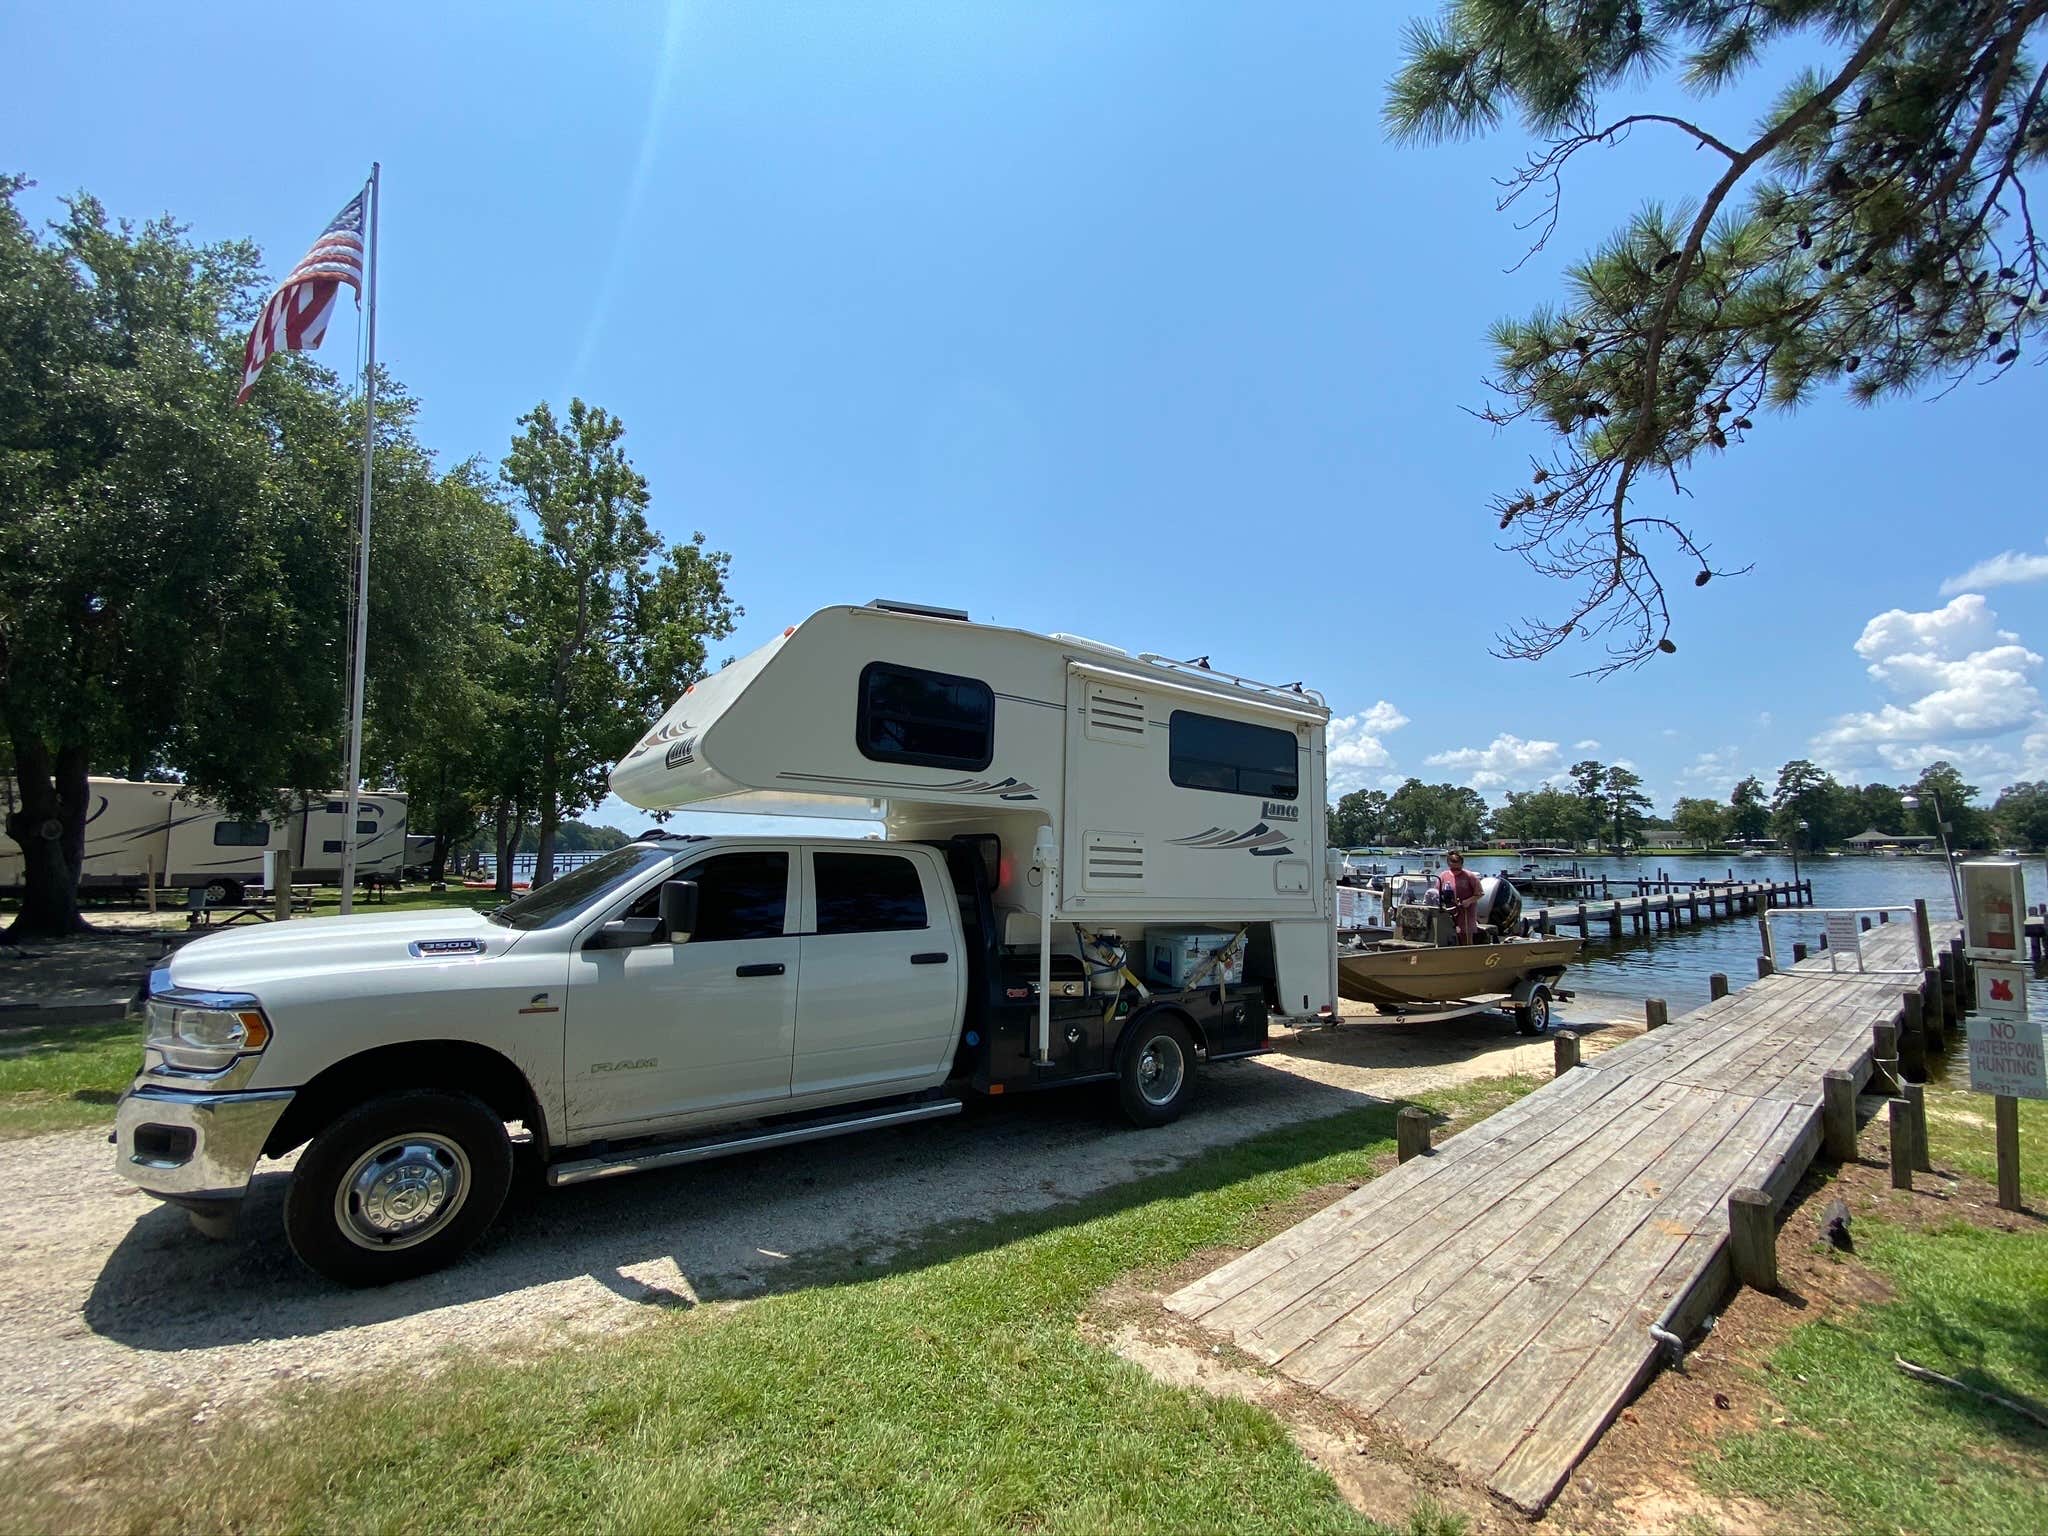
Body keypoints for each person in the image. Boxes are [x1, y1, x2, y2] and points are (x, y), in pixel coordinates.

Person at [1437, 851, 1482, 945]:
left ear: (1461, 863)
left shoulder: (1470, 876)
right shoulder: (1443, 875)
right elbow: (1437, 892)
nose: (1455, 866)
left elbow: (1480, 893)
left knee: (1466, 936)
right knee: (1449, 936)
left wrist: (1469, 901)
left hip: (1466, 911)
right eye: (1452, 862)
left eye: (1457, 862)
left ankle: (1469, 955)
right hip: (1449, 910)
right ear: (1448, 863)